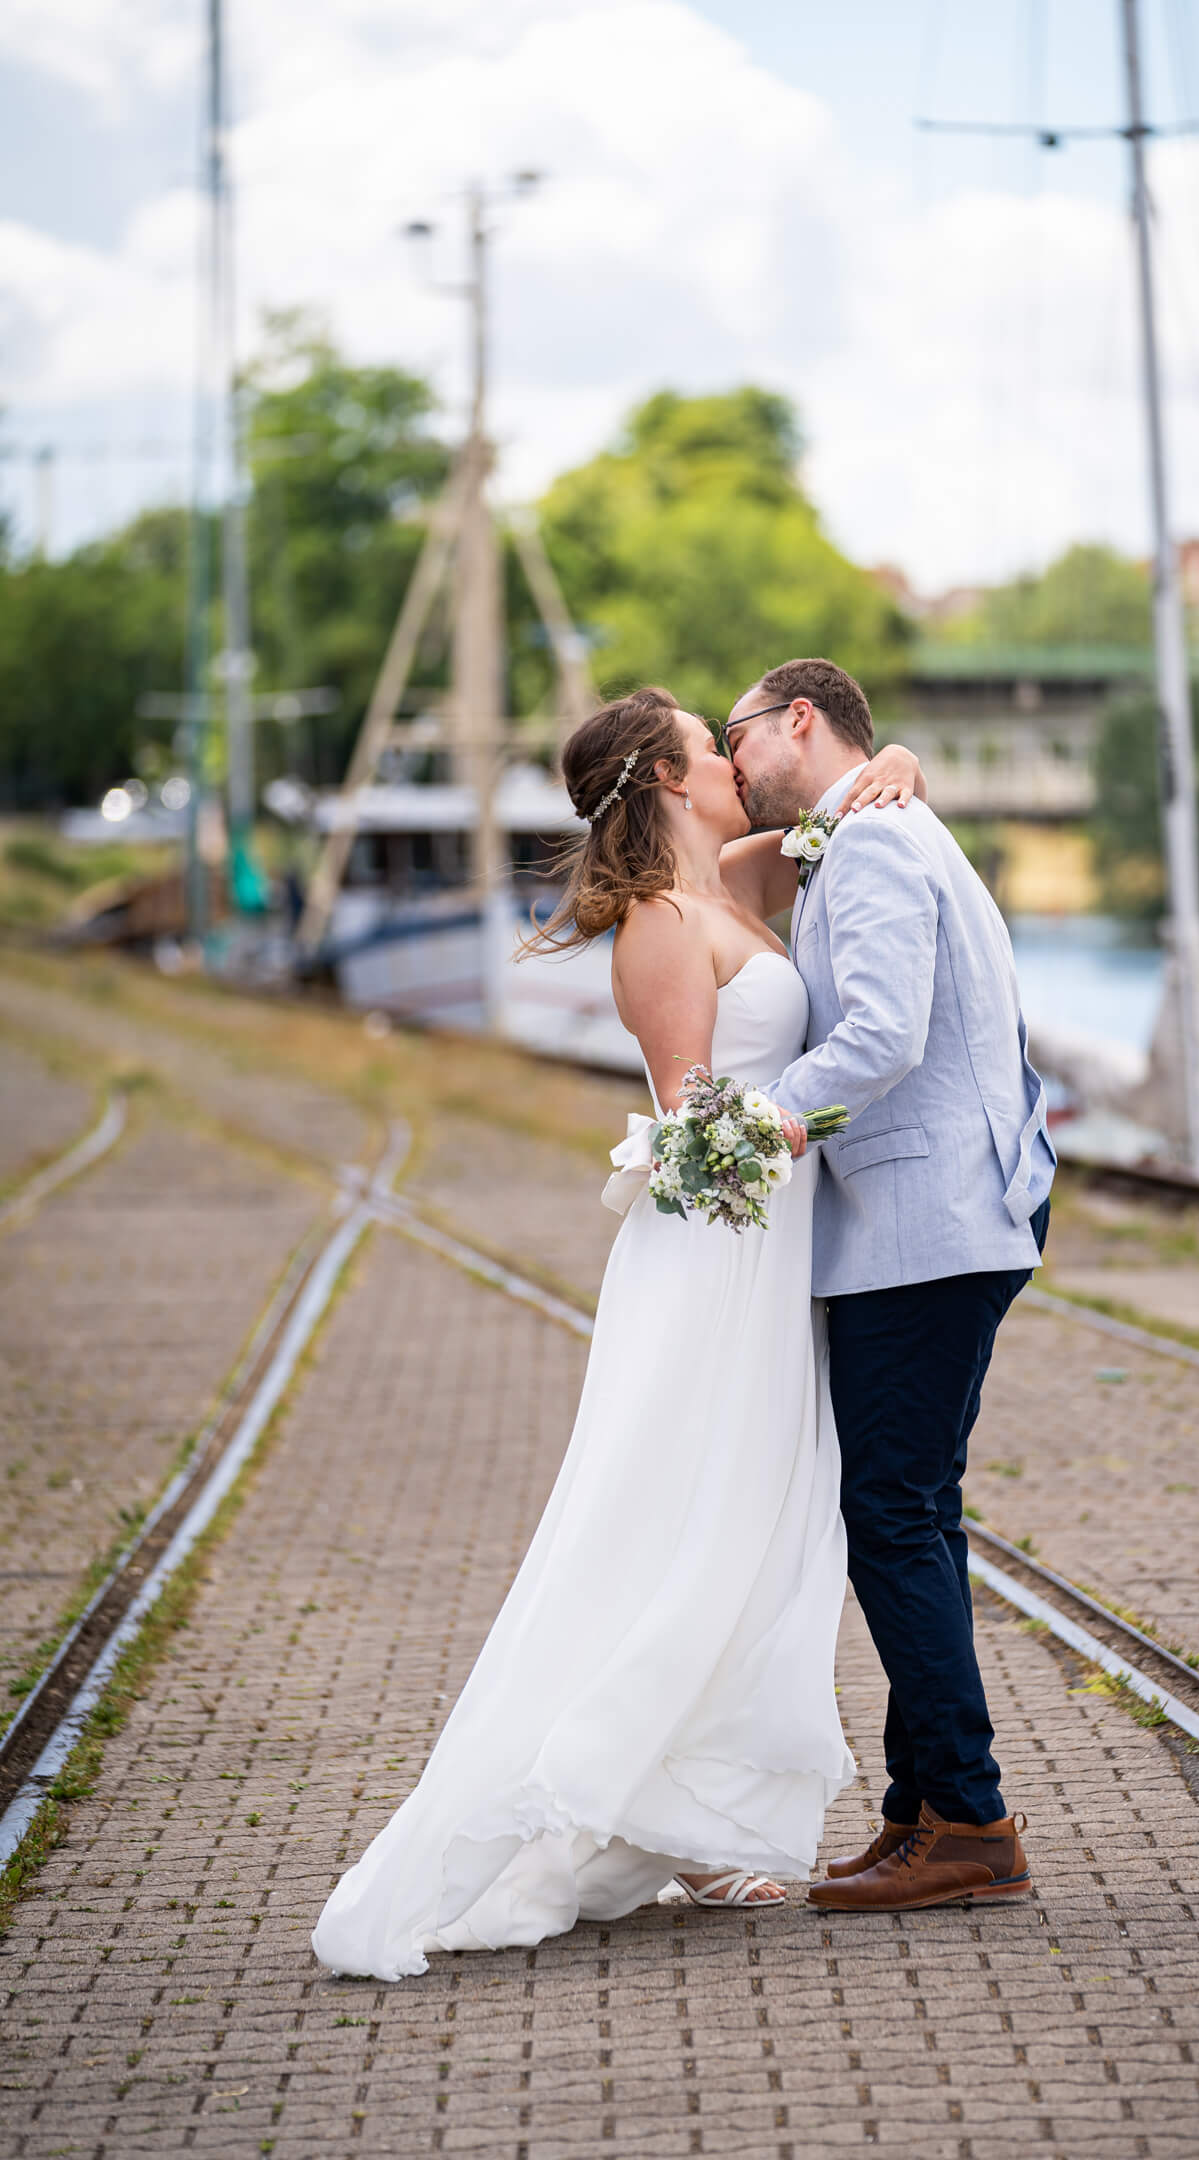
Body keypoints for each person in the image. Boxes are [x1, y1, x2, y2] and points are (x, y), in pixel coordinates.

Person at [310, 687, 923, 1978]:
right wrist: (776, 1137)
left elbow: (855, 804)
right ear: (663, 775)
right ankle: (660, 1811)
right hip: (713, 1257)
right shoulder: (656, 924)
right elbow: (693, 1118)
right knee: (688, 1514)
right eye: (712, 746)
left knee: (759, 1519)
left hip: (768, 1257)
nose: (731, 762)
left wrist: (899, 757)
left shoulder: (738, 876)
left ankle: (692, 1807)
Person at [726, 657, 1055, 1914]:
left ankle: (970, 1820)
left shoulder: (867, 845)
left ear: (797, 720)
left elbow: (881, 1036)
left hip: (924, 1225)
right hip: (937, 1219)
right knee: (916, 1510)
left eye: (739, 732)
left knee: (891, 1517)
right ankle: (920, 1810)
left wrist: (748, 1124)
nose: (733, 756)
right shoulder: (870, 822)